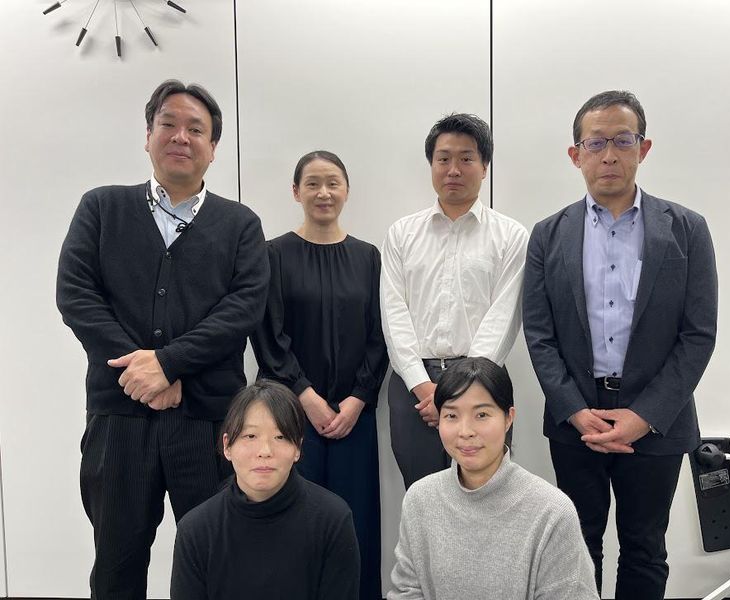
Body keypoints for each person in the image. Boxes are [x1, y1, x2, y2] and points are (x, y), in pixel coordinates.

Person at [56, 79, 269, 599]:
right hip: (119, 418)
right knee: (117, 563)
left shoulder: (240, 224)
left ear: (213, 148)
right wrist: (142, 372)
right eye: (168, 124)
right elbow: (76, 295)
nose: (180, 136)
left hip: (207, 421)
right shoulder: (102, 207)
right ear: (147, 135)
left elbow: (243, 309)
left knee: (219, 560)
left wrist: (170, 364)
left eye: (196, 129)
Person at [523, 90, 718, 599]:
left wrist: (645, 415)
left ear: (643, 148)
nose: (609, 154)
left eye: (622, 140)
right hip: (577, 421)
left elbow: (698, 334)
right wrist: (573, 410)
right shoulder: (548, 235)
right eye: (596, 143)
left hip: (657, 420)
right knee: (576, 547)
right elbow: (539, 334)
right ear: (576, 154)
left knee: (645, 548)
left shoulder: (687, 230)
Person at [250, 150, 388, 599]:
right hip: (290, 418)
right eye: (312, 183)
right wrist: (305, 397)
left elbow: (380, 335)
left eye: (333, 183)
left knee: (355, 523)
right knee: (292, 523)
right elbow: (268, 335)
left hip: (354, 417)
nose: (323, 192)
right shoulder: (273, 255)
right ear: (296, 192)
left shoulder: (369, 258)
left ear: (347, 191)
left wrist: (358, 399)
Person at [380, 113, 528, 488]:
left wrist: (459, 392)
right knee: (422, 493)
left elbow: (504, 317)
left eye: (466, 158)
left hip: (484, 382)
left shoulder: (511, 236)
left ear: (485, 166)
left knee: (486, 493)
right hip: (414, 388)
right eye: (443, 159)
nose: (454, 169)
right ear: (431, 164)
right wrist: (422, 386)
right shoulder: (401, 234)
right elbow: (394, 315)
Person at [387, 357, 598, 600]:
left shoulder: (552, 512)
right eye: (452, 416)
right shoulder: (420, 499)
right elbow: (406, 592)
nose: (466, 431)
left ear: (508, 418)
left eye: (482, 415)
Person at [170, 380, 360, 599]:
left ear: (297, 448)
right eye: (250, 436)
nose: (265, 451)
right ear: (227, 445)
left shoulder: (332, 520)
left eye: (280, 437)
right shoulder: (196, 530)